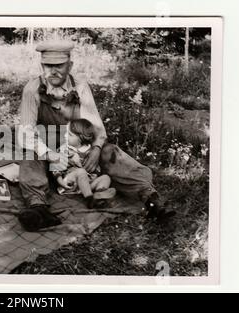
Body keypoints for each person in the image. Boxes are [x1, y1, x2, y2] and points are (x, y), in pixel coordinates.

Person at [17, 40, 175, 232]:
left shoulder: (81, 87)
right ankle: (38, 209)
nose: (53, 71)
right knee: (28, 154)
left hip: (77, 148)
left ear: (70, 65)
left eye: (59, 65)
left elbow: (97, 128)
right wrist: (51, 155)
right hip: (47, 148)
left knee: (111, 152)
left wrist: (96, 150)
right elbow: (26, 133)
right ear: (42, 66)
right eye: (47, 65)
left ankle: (152, 201)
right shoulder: (32, 89)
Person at [53, 119, 116, 209]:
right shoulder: (64, 149)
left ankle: (100, 194)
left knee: (106, 178)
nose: (65, 136)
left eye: (69, 134)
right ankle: (90, 200)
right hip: (70, 183)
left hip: (86, 185)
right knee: (81, 172)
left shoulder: (90, 151)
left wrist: (95, 172)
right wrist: (60, 180)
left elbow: (95, 168)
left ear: (81, 138)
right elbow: (55, 165)